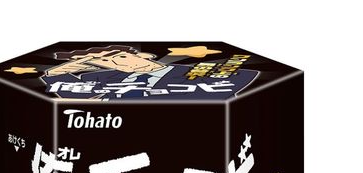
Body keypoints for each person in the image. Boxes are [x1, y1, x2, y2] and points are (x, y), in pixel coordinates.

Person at [43, 45, 257, 100]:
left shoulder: (202, 74)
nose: (115, 63)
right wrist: (60, 72)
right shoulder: (104, 79)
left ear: (145, 55)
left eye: (120, 56)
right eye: (105, 62)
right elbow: (67, 94)